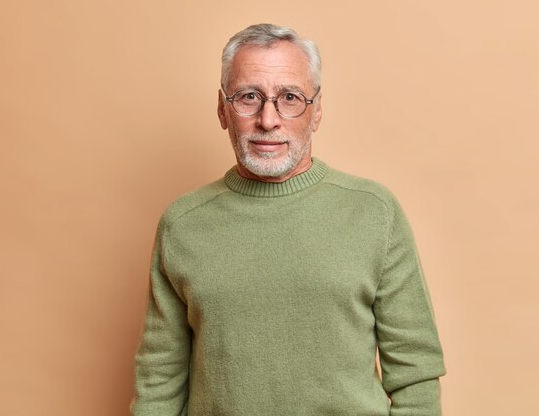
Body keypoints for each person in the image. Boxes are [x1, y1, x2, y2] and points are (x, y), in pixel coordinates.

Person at [131, 23, 446, 416]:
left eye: (290, 97)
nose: (268, 119)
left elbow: (415, 370)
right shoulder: (183, 223)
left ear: (316, 112)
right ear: (222, 109)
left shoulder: (373, 212)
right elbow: (159, 377)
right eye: (249, 97)